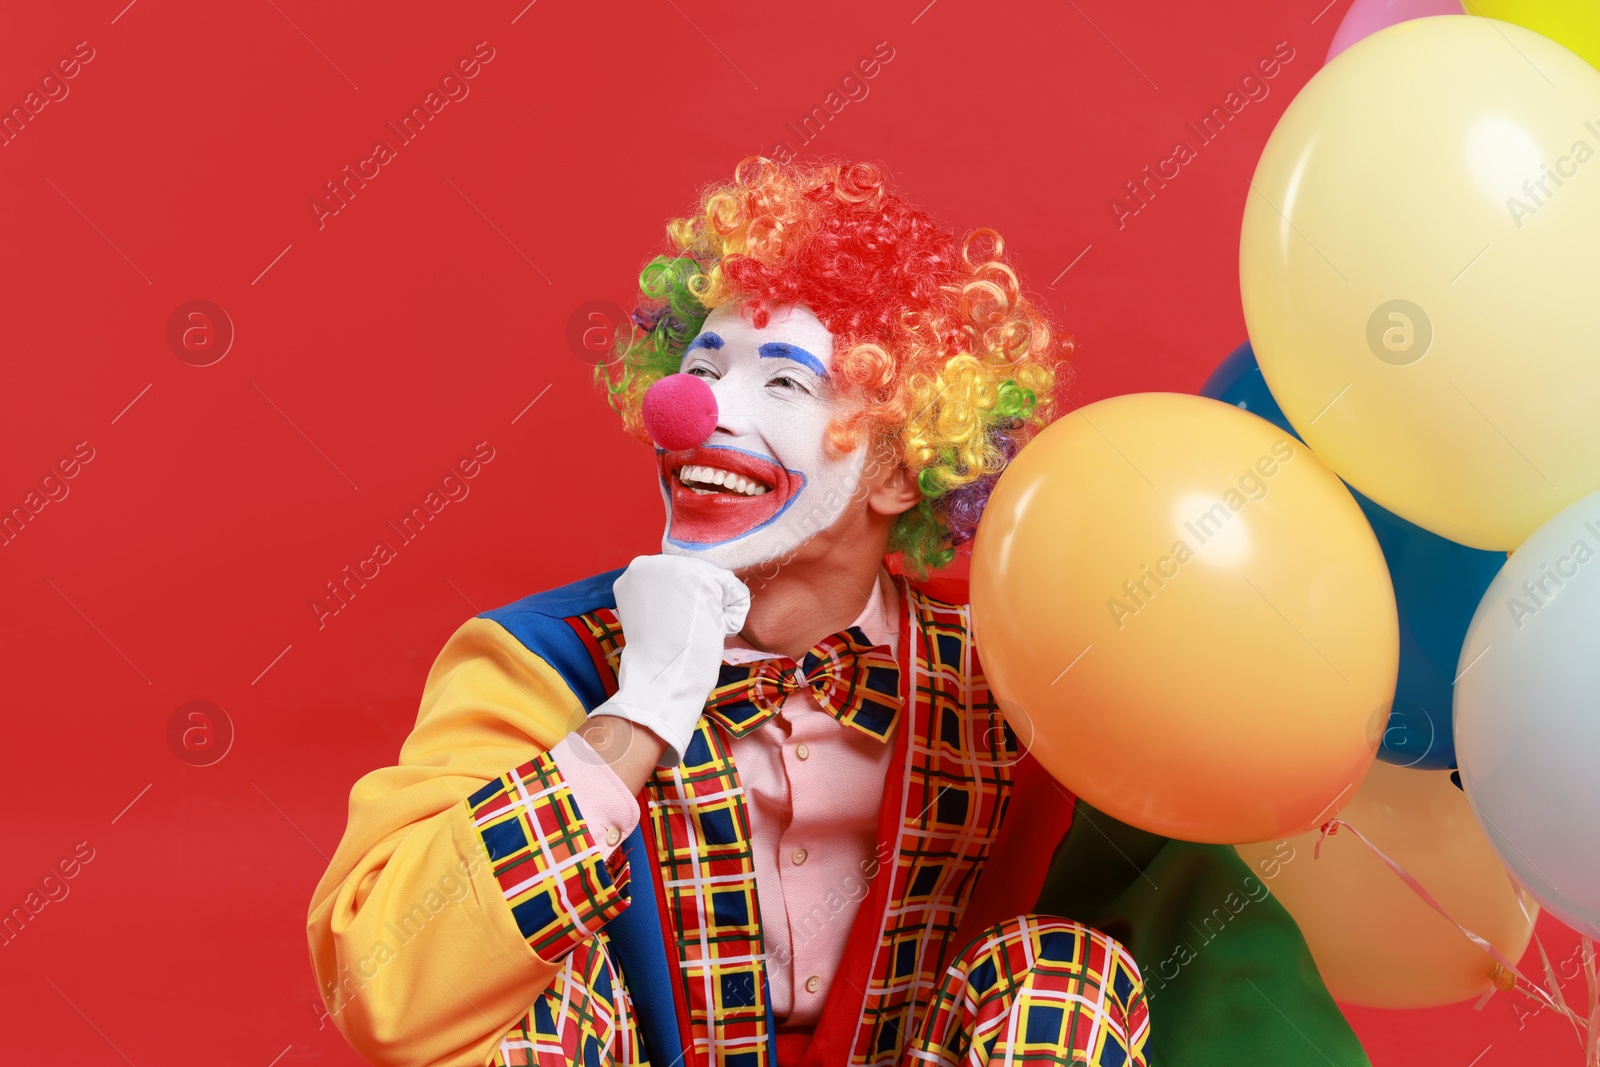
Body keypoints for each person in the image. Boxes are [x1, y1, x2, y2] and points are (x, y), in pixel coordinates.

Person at [307, 159, 1370, 1067]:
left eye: (781, 385)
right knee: (539, 1002)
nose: (695, 409)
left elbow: (1196, 908)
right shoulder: (534, 665)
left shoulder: (1007, 671)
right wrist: (636, 712)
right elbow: (383, 982)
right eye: (700, 367)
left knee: (1064, 973)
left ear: (901, 471)